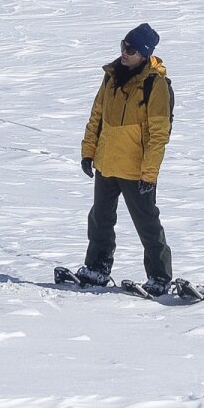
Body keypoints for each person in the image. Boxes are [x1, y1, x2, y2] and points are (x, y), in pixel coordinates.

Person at [66, 22, 179, 294]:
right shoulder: (111, 77)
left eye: (131, 49)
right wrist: (88, 152)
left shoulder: (154, 84)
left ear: (144, 53)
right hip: (106, 163)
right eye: (123, 46)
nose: (124, 53)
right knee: (100, 220)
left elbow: (159, 133)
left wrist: (149, 174)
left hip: (135, 169)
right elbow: (97, 116)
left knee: (147, 224)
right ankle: (97, 267)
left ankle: (160, 277)